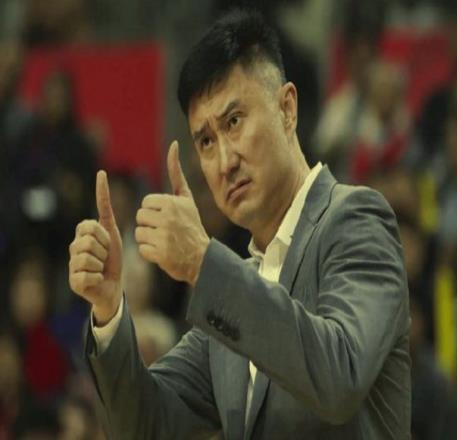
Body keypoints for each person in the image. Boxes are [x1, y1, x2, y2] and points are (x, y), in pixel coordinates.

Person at [69, 10, 411, 439]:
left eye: (234, 122)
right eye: (206, 141)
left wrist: (201, 262)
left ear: (287, 109)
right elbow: (145, 427)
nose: (225, 161)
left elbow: (339, 377)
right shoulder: (232, 294)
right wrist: (108, 309)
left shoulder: (355, 220)